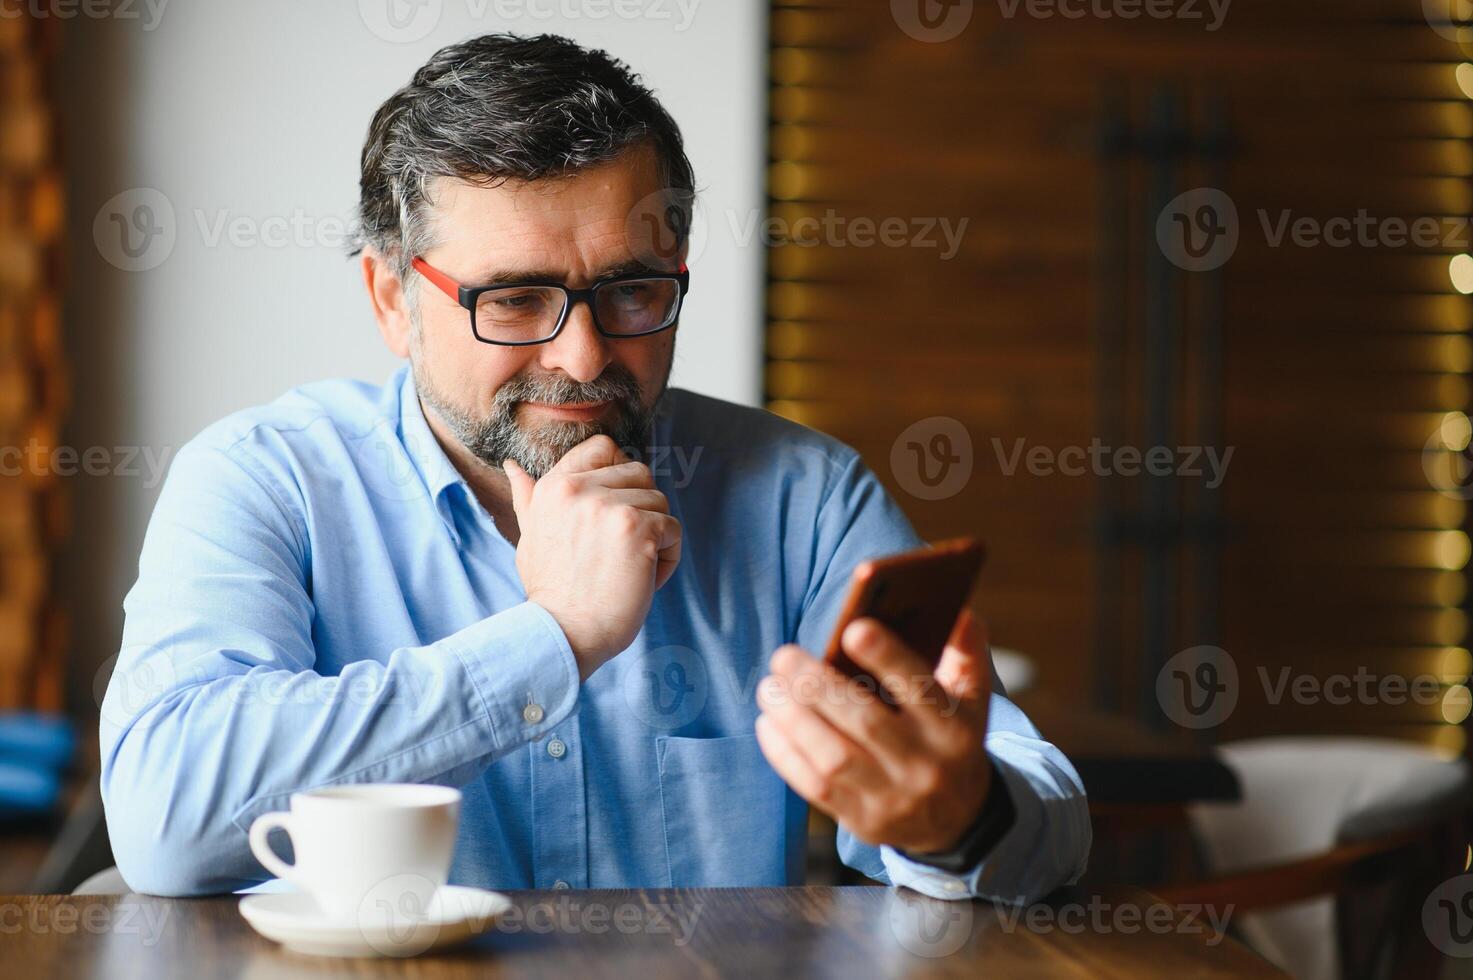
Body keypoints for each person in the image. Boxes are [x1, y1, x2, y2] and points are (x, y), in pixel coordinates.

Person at [100, 33, 1089, 901]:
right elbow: (164, 816)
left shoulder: (805, 500)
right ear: (392, 297)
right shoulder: (266, 480)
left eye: (630, 290)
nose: (581, 358)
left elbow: (1039, 805)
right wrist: (556, 635)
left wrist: (960, 820)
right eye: (517, 299)